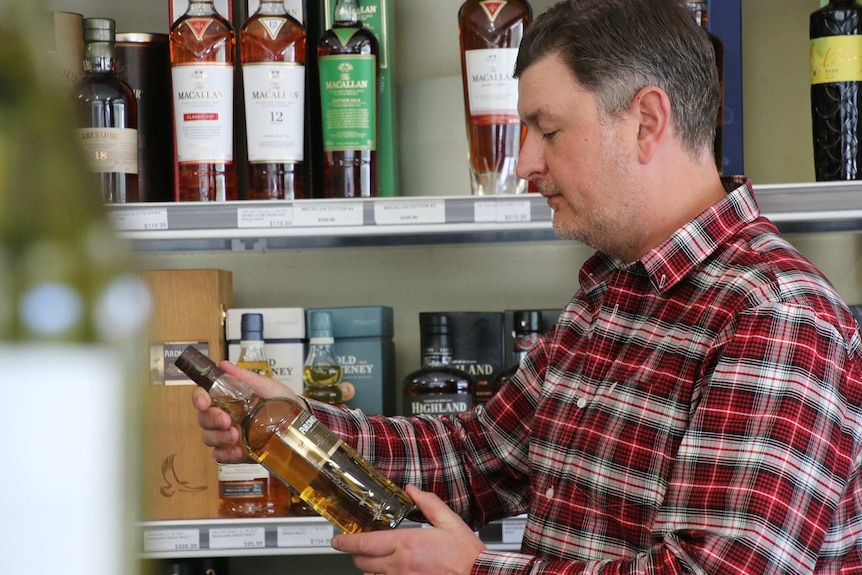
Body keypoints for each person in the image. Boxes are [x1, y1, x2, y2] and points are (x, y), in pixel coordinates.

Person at [193, 0, 862, 573]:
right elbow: (480, 454)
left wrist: (476, 568)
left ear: (647, 122)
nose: (524, 163)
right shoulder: (611, 293)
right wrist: (300, 425)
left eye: (547, 129)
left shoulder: (774, 314)